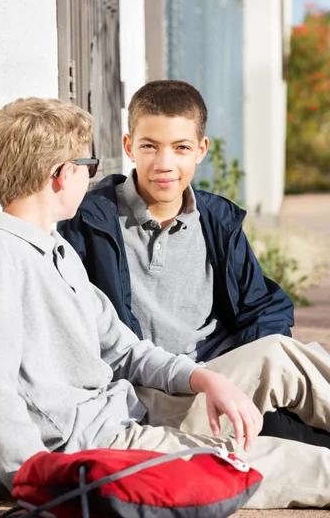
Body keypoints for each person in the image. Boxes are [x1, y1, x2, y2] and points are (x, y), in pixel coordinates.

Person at [0, 96, 330, 510]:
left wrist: (204, 379)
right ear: (63, 175)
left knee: (279, 354)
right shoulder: (3, 255)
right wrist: (31, 477)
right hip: (103, 447)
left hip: (134, 408)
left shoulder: (55, 248)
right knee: (304, 466)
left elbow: (123, 348)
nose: (92, 178)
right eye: (90, 167)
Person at [59, 79, 329, 448]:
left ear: (200, 150)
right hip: (151, 395)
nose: (164, 164)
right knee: (282, 366)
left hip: (225, 381)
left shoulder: (216, 219)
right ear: (129, 147)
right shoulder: (90, 221)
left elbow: (262, 306)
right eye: (149, 147)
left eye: (181, 148)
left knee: (300, 418)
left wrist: (252, 375)